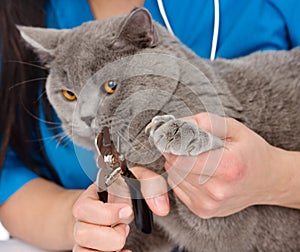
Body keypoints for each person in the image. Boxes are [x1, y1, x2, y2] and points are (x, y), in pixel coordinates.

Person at [0, 0, 299, 251]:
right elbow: (8, 175)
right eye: (70, 95)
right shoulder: (22, 12)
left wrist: (276, 178)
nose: (86, 116)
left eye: (111, 86)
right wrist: (94, 220)